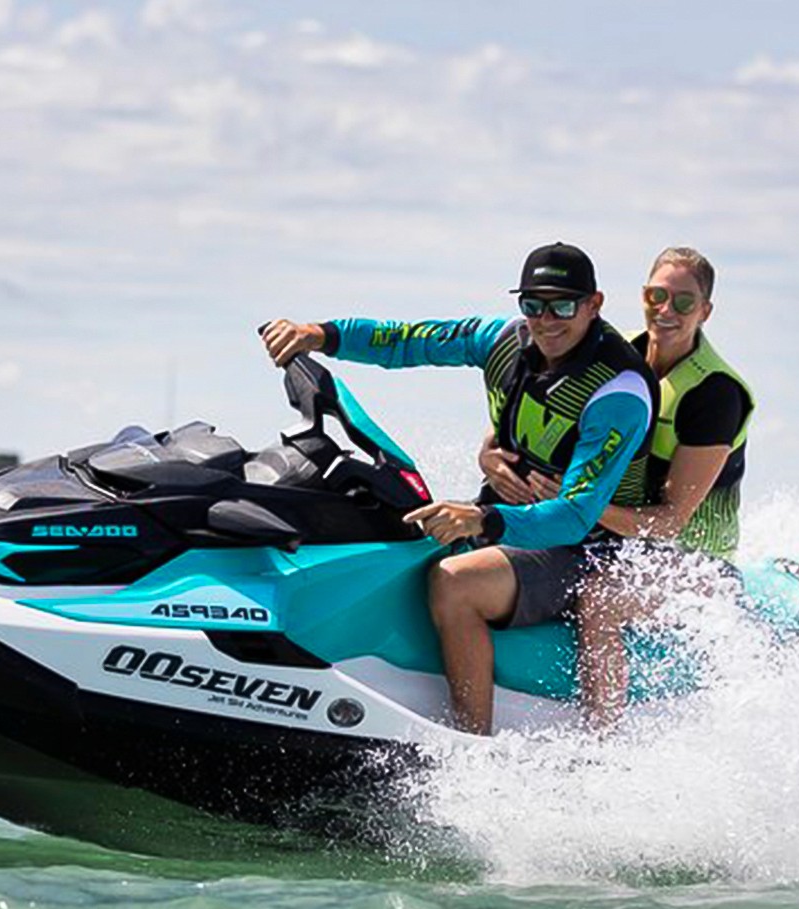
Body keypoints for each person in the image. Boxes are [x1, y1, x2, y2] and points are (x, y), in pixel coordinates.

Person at [260, 242, 658, 734]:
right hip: (510, 519)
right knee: (389, 531)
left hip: (588, 549)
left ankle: (470, 744)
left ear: (594, 304)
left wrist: (482, 520)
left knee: (456, 581)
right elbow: (408, 340)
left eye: (563, 306)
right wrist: (321, 335)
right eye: (533, 304)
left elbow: (576, 517)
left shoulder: (618, 391)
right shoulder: (502, 340)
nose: (546, 320)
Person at [480, 246, 754, 730]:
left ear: (705, 311)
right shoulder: (611, 356)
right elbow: (519, 418)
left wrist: (577, 503)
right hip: (613, 539)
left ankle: (602, 741)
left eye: (684, 302)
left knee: (599, 599)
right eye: (656, 296)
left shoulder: (715, 394)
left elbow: (670, 522)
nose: (666, 310)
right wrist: (488, 457)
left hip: (695, 560)